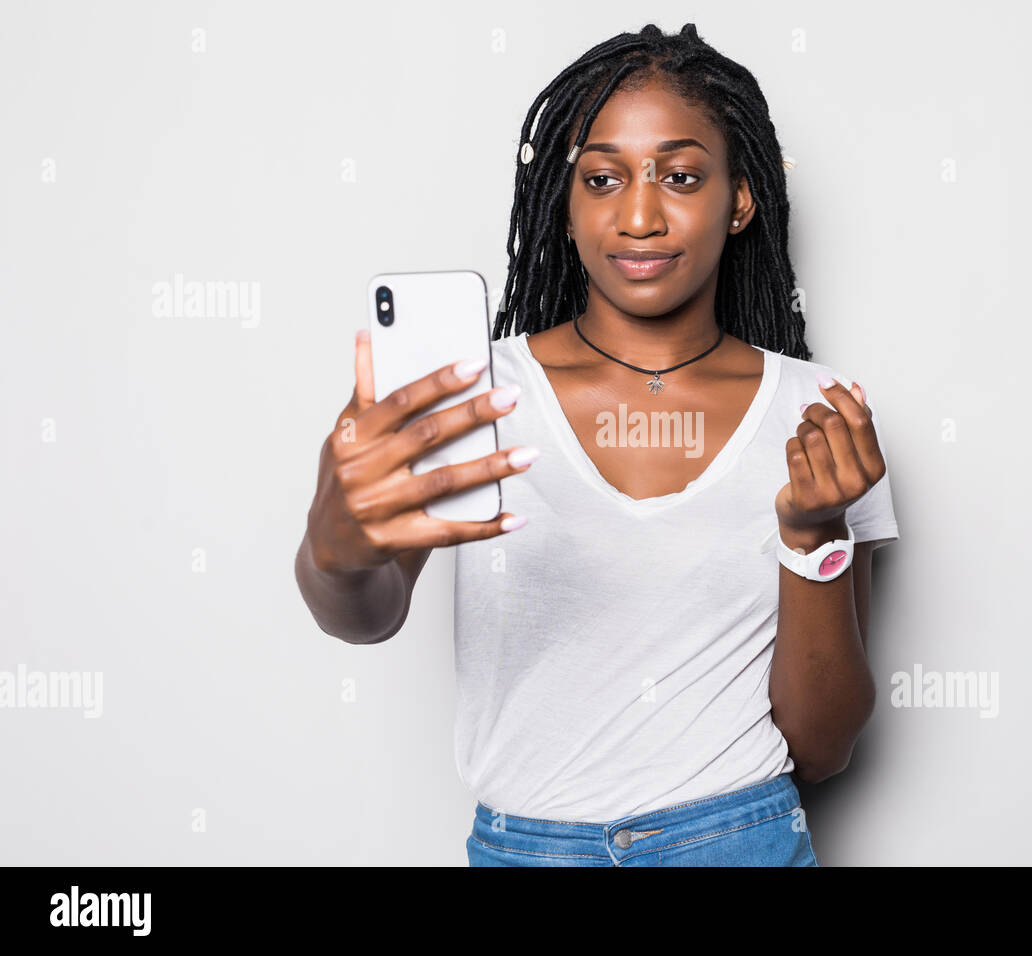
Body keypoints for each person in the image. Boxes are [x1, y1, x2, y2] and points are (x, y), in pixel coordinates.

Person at [294, 22, 900, 867]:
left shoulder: (817, 414)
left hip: (740, 841)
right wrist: (334, 556)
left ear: (739, 200)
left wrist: (813, 538)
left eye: (681, 176)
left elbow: (823, 745)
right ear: (565, 205)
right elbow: (367, 617)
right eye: (603, 178)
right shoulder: (471, 394)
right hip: (524, 852)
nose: (641, 215)